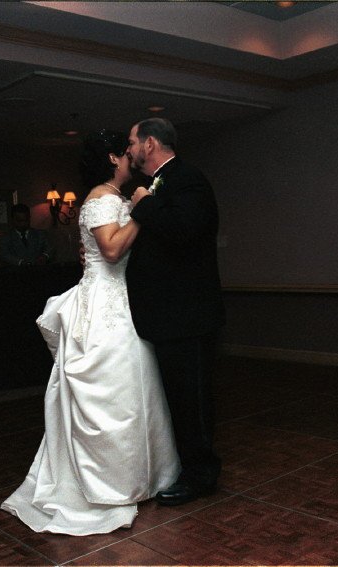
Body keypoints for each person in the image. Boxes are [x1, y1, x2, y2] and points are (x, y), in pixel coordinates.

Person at [0, 129, 179, 536]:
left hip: (123, 301)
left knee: (136, 392)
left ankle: (141, 477)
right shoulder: (103, 197)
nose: (132, 156)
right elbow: (112, 250)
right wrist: (139, 211)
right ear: (113, 158)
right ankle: (108, 484)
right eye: (126, 151)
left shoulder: (112, 198)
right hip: (103, 307)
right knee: (114, 394)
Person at [126, 117, 225, 506]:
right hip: (168, 316)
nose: (130, 149)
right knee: (177, 399)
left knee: (192, 400)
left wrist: (144, 204)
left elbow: (184, 230)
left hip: (187, 315)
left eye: (133, 142)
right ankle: (187, 467)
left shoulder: (187, 178)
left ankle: (201, 475)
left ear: (150, 144)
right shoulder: (160, 182)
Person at [0, 203, 53, 267]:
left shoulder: (40, 234)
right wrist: (20, 262)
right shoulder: (6, 238)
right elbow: (4, 255)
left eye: (26, 220)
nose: (23, 223)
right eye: (19, 221)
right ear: (12, 220)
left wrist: (45, 256)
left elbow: (50, 249)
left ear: (29, 218)